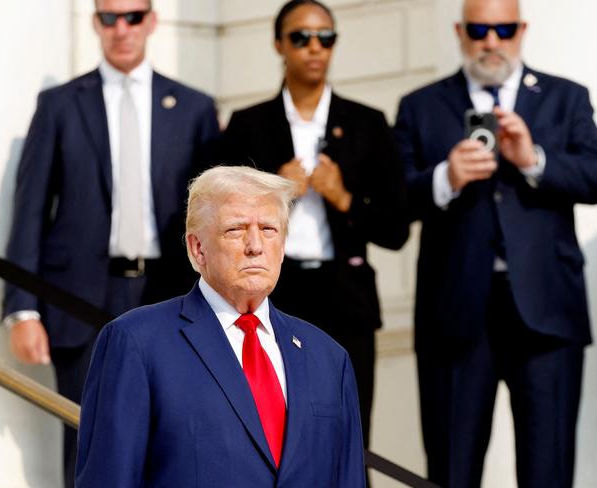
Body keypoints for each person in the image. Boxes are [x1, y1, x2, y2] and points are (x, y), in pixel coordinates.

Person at [2, 0, 219, 486]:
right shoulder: (59, 104)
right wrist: (23, 309)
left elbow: (211, 212)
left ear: (153, 21)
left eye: (134, 16)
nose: (122, 29)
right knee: (86, 440)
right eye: (109, 17)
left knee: (176, 438)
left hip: (169, 293)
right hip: (76, 298)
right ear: (96, 22)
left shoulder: (194, 107)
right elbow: (31, 207)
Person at [394, 0, 597, 486]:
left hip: (546, 314)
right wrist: (446, 177)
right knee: (451, 469)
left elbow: (593, 177)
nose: (491, 41)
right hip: (455, 314)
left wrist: (534, 160)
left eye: (503, 28)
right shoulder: (420, 104)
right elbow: (393, 200)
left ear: (522, 30)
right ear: (460, 32)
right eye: (480, 29)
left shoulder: (565, 97)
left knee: (549, 470)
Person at [74, 166, 366, 487]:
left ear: (282, 247)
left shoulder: (328, 358)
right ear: (198, 248)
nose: (255, 245)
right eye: (236, 230)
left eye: (268, 229)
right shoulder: (136, 343)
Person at [219, 0, 409, 451]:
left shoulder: (367, 123)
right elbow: (220, 215)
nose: (314, 47)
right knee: (268, 435)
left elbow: (396, 228)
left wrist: (343, 197)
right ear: (279, 44)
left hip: (346, 297)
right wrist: (274, 191)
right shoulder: (247, 127)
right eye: (301, 37)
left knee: (348, 437)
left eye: (325, 37)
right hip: (269, 297)